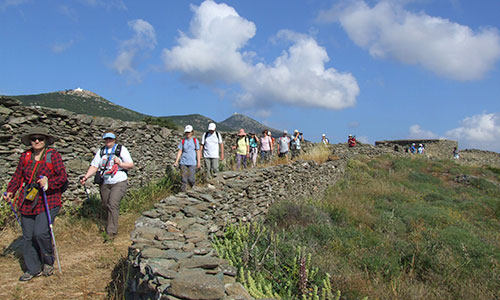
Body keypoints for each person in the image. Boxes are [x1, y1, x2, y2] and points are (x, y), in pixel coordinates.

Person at [5, 127, 68, 281]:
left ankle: (48, 262)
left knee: (40, 232)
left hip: (49, 199)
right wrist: (10, 191)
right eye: (34, 139)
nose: (37, 141)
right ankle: (33, 268)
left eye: (40, 138)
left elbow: (63, 177)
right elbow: (17, 176)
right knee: (27, 236)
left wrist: (48, 182)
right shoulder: (25, 156)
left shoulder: (53, 155)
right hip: (28, 200)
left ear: (45, 140)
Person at [81, 130, 134, 241]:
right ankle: (110, 224)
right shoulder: (101, 152)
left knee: (112, 203)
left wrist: (119, 163)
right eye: (106, 139)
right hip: (105, 182)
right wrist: (86, 177)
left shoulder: (121, 149)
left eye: (111, 138)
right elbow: (94, 166)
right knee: (106, 204)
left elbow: (130, 165)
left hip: (119, 181)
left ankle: (111, 232)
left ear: (115, 139)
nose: (108, 141)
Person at [173, 125, 201, 191]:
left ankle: (193, 188)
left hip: (192, 162)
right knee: (183, 179)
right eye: (186, 132)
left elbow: (198, 151)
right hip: (183, 162)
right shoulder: (183, 141)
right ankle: (183, 192)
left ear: (192, 132)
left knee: (191, 178)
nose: (187, 134)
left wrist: (199, 162)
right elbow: (180, 151)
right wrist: (176, 161)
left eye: (189, 132)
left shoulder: (195, 141)